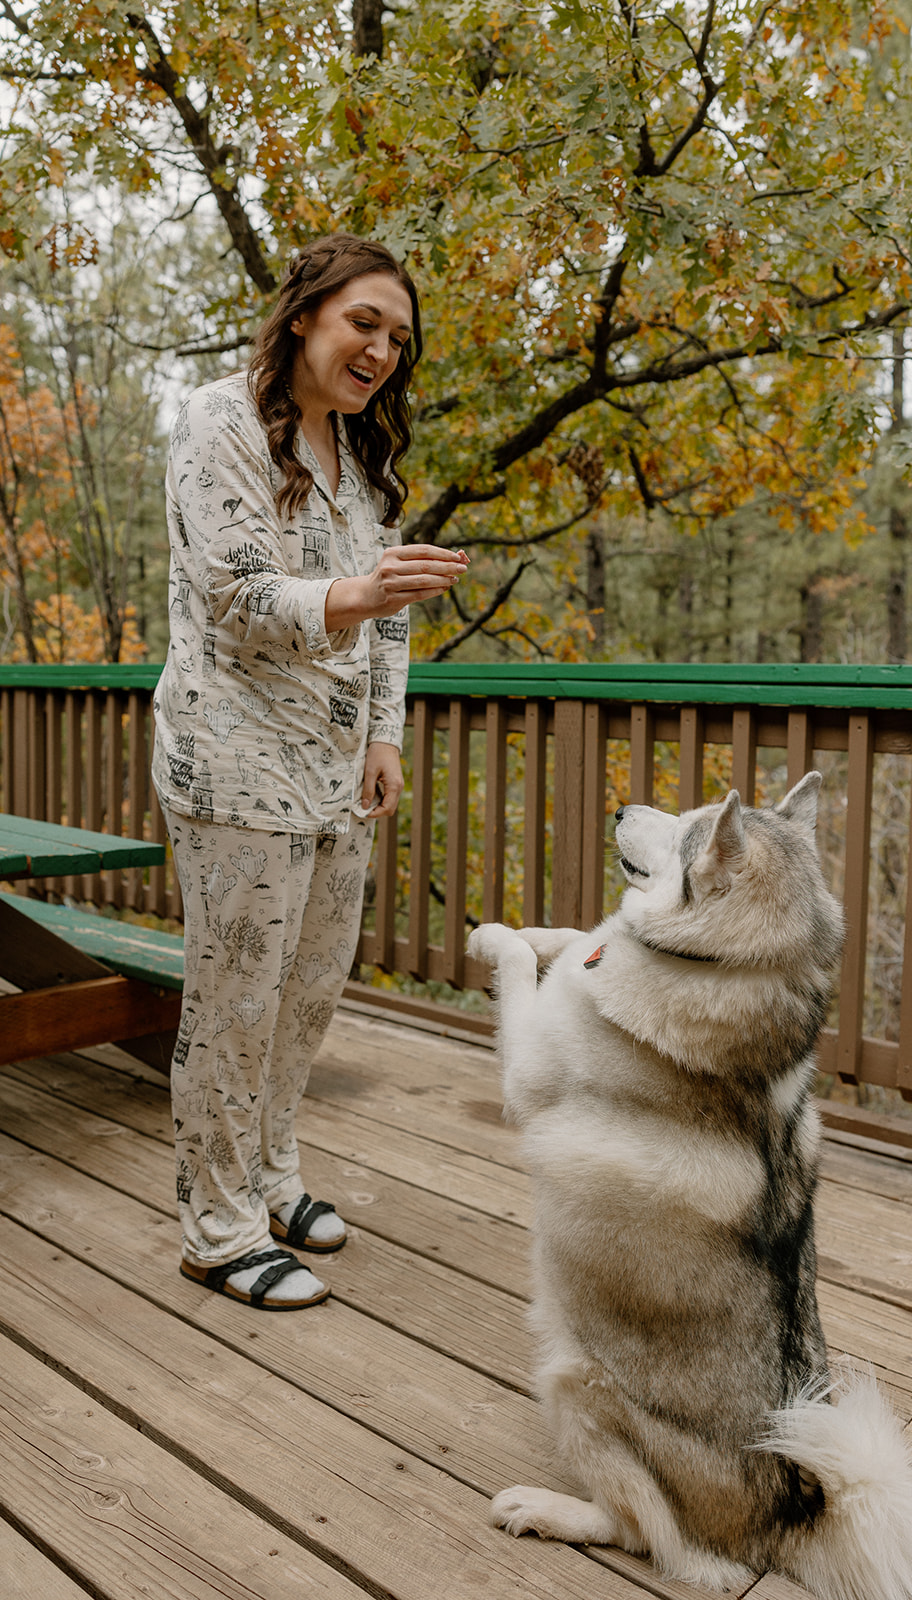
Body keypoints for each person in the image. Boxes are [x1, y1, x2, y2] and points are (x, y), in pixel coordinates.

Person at [151, 233, 468, 1310]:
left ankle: (272, 1179)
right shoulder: (218, 421)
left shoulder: (361, 456)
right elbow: (238, 595)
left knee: (306, 995)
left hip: (336, 770)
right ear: (303, 317)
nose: (381, 349)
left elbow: (389, 627)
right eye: (362, 323)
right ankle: (217, 1226)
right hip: (232, 757)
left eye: (397, 337)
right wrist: (359, 596)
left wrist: (385, 734)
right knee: (234, 1000)